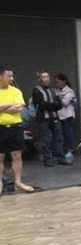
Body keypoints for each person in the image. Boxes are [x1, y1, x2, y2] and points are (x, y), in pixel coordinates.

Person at [0, 66, 34, 194]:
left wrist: (2, 107)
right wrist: (10, 104)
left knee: (17, 155)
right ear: (1, 77)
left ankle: (18, 182)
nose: (11, 79)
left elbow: (18, 108)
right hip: (0, 128)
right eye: (9, 76)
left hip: (15, 127)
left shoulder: (16, 91)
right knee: (0, 156)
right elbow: (13, 107)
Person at [32, 70, 69, 167]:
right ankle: (47, 159)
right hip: (43, 118)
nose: (46, 79)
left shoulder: (54, 90)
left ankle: (60, 157)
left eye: (47, 77)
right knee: (45, 139)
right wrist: (53, 105)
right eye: (43, 77)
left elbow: (60, 105)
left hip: (55, 117)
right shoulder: (37, 90)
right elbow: (41, 105)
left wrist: (51, 105)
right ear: (39, 79)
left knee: (59, 138)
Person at [54, 74, 76, 158]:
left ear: (64, 81)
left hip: (68, 116)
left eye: (58, 82)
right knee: (61, 134)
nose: (57, 84)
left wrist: (58, 97)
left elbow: (65, 103)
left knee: (68, 134)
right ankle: (63, 151)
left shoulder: (69, 91)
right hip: (60, 116)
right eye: (56, 82)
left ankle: (71, 151)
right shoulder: (58, 91)